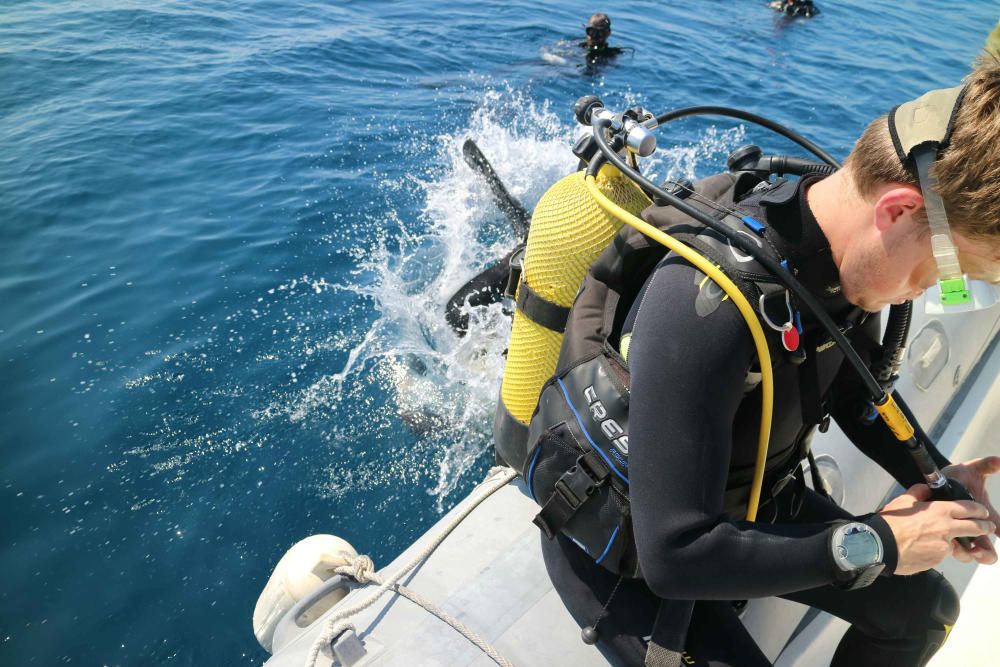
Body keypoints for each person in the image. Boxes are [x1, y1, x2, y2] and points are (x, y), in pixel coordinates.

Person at [537, 53, 1000, 667]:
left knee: (927, 612)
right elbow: (673, 556)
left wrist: (939, 476)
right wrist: (880, 543)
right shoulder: (704, 306)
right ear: (898, 210)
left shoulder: (841, 267)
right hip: (628, 544)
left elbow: (855, 396)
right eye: (954, 271)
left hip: (747, 497)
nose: (936, 291)